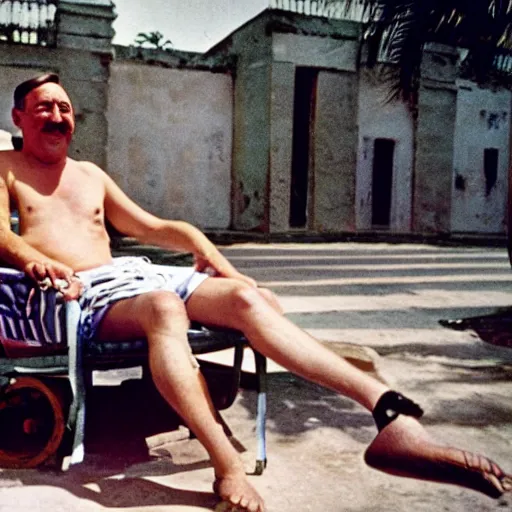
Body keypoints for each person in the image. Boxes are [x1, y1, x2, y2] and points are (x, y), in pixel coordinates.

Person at [0, 73, 510, 512]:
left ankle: (390, 415)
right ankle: (227, 467)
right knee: (163, 309)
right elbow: (2, 234)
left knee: (250, 300)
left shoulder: (89, 175)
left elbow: (156, 226)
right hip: (68, 290)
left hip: (130, 275)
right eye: (44, 106)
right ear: (19, 117)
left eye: (65, 107)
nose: (57, 115)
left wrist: (220, 264)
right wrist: (31, 257)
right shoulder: (5, 167)